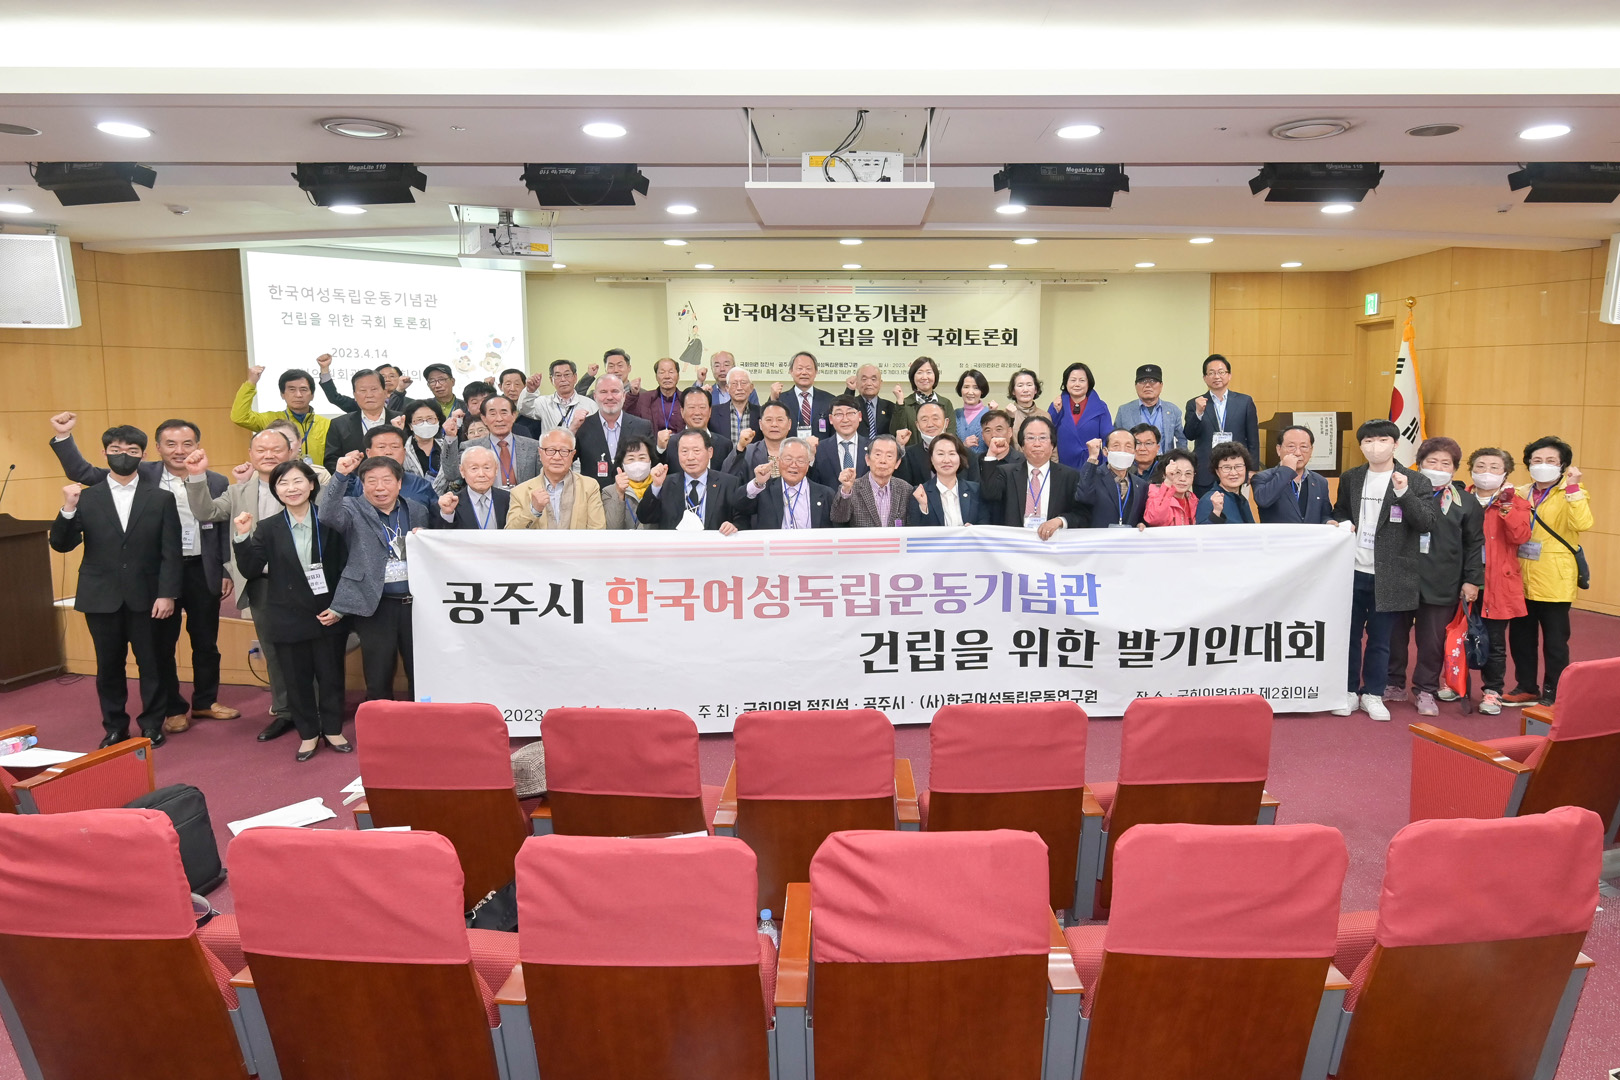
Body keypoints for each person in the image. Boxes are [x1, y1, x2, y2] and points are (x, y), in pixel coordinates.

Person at [49, 412, 236, 733]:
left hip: (201, 568)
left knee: (206, 641)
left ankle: (206, 701)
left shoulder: (216, 480)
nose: (179, 450)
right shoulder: (140, 472)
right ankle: (173, 708)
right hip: (156, 573)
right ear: (157, 449)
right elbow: (83, 472)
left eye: (187, 443)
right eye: (171, 444)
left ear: (198, 445)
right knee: (160, 646)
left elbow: (220, 528)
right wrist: (65, 437)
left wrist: (224, 569)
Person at [50, 425, 181, 748]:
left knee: (152, 663)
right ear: (104, 453)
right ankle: (115, 727)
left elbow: (171, 551)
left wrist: (167, 593)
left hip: (148, 596)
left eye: (132, 451)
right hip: (100, 596)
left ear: (143, 455)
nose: (124, 456)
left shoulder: (161, 498)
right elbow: (61, 544)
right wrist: (68, 508)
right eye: (116, 450)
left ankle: (152, 725)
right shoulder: (86, 497)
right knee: (108, 666)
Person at [183, 432, 309, 741]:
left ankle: (316, 708)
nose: (268, 455)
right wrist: (197, 476)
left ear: (291, 452)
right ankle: (285, 711)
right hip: (262, 583)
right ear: (251, 454)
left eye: (276, 449)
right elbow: (206, 512)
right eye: (261, 449)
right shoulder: (237, 491)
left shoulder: (307, 485)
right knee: (273, 649)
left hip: (305, 582)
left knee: (312, 646)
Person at [232, 460, 350, 762]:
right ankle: (308, 734)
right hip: (287, 615)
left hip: (328, 612)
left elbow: (345, 567)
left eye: (298, 481)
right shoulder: (268, 528)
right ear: (276, 491)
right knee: (297, 681)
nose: (291, 488)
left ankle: (333, 729)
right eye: (283, 483)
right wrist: (242, 537)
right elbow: (251, 569)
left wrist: (340, 607)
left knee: (331, 676)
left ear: (311, 484)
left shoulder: (330, 521)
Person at [1330, 419, 1438, 721]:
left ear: (1395, 444)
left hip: (1391, 573)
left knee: (1381, 639)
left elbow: (1426, 522)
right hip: (1352, 569)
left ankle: (1373, 694)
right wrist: (1338, 521)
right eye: (1368, 441)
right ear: (1361, 446)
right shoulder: (1352, 477)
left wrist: (1404, 494)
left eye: (1381, 440)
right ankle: (1348, 691)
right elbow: (1341, 509)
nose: (1374, 447)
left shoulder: (1415, 481)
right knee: (1349, 636)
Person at [1385, 437, 1484, 717]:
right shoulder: (1400, 492)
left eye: (1445, 463)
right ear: (1419, 463)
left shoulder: (1466, 503)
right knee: (1394, 636)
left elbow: (1475, 544)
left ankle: (1426, 689)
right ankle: (1393, 683)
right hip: (1401, 577)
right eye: (1432, 462)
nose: (1438, 468)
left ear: (1454, 469)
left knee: (1432, 642)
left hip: (1443, 581)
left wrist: (1472, 580)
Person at [318, 455, 429, 700]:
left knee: (421, 670)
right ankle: (381, 721)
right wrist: (340, 476)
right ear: (362, 484)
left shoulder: (417, 510)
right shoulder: (351, 508)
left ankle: (422, 717)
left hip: (417, 605)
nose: (380, 487)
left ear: (399, 483)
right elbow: (326, 514)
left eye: (387, 480)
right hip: (375, 605)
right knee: (378, 674)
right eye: (372, 481)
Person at [1506, 436, 1593, 707]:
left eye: (1551, 461)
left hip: (1555, 579)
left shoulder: (1572, 492)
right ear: (1528, 464)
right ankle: (1526, 687)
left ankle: (1555, 692)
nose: (1543, 465)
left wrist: (1574, 487)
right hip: (1520, 576)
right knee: (1521, 638)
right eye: (1537, 460)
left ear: (1563, 465)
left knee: (1555, 642)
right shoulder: (1519, 492)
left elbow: (1583, 523)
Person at [1467, 447, 1532, 715]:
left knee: (1494, 641)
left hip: (1498, 581)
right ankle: (1454, 683)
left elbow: (1520, 537)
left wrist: (1506, 507)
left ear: (1506, 472)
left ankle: (1492, 691)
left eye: (1494, 467)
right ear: (1471, 469)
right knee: (1457, 634)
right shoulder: (1459, 498)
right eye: (1480, 466)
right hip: (1462, 579)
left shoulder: (1516, 502)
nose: (1487, 472)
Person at [978, 415, 1085, 539]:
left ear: (1052, 444)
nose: (1037, 444)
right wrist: (991, 454)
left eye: (1043, 438)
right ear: (1022, 445)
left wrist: (1060, 521)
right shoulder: (1007, 473)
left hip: (1053, 543)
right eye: (1030, 438)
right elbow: (989, 494)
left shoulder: (1070, 476)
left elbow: (1082, 515)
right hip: (1015, 543)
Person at [637, 429, 751, 533]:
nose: (690, 457)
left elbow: (743, 519)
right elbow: (645, 517)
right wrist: (656, 486)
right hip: (676, 547)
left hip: (714, 547)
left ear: (710, 452)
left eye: (696, 451)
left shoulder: (729, 483)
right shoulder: (665, 483)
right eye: (684, 451)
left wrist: (734, 526)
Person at [1183, 354, 1260, 496]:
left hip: (1235, 469)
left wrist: (1252, 468)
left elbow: (1253, 438)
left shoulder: (1244, 402)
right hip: (1205, 471)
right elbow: (1189, 434)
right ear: (1205, 378)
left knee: (1235, 508)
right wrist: (1198, 413)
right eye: (1211, 373)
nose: (1216, 376)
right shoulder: (1195, 403)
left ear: (1229, 375)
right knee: (1205, 508)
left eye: (1221, 372)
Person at [231, 364, 330, 467]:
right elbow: (240, 417)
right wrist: (251, 383)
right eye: (292, 389)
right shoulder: (271, 420)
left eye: (303, 389)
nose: (298, 395)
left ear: (312, 395)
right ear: (282, 394)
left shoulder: (327, 424)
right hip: (279, 475)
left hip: (318, 475)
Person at [505, 429, 607, 530]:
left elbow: (597, 530)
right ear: (540, 453)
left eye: (564, 451)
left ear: (572, 454)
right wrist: (534, 510)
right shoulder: (520, 492)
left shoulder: (589, 487)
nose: (557, 457)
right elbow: (510, 533)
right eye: (550, 450)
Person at [439, 393, 539, 490]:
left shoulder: (533, 446)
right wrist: (450, 437)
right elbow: (452, 474)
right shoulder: (470, 447)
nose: (499, 419)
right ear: (484, 418)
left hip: (525, 500)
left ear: (514, 415)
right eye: (493, 414)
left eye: (504, 413)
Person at [576, 374, 653, 490]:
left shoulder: (642, 427)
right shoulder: (582, 426)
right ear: (595, 396)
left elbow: (654, 463)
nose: (609, 397)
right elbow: (567, 458)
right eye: (603, 392)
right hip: (593, 496)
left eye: (615, 391)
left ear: (624, 395)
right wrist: (572, 429)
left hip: (632, 496)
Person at [322, 368, 400, 473]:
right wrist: (347, 469)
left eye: (374, 389)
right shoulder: (339, 424)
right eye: (363, 391)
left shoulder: (401, 420)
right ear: (355, 395)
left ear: (385, 392)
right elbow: (330, 461)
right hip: (354, 481)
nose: (369, 395)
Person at [745, 438, 834, 529]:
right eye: (788, 459)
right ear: (778, 461)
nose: (794, 465)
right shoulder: (764, 490)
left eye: (800, 461)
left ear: (808, 465)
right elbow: (740, 506)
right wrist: (758, 483)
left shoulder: (826, 494)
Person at [1252, 425, 1334, 524]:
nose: (1298, 453)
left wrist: (1328, 521)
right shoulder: (1262, 477)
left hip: (1311, 534)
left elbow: (1325, 514)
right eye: (1291, 446)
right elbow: (1263, 501)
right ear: (1278, 449)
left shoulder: (1320, 481)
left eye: (1304, 447)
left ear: (1311, 450)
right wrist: (1287, 470)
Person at [831, 435, 914, 528]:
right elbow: (838, 519)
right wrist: (846, 489)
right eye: (878, 454)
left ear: (897, 463)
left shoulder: (906, 490)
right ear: (867, 460)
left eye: (889, 456)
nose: (883, 461)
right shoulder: (851, 488)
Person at [1076, 429, 1149, 528]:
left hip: (1128, 537)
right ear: (1105, 451)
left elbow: (1141, 516)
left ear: (1135, 452)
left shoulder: (1141, 485)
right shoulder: (1092, 477)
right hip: (1099, 536)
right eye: (1116, 446)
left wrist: (1142, 524)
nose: (1122, 450)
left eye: (1128, 446)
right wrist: (1092, 457)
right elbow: (1083, 498)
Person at [908, 434, 984, 527]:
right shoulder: (920, 493)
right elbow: (916, 530)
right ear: (932, 459)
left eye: (952, 454)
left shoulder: (975, 490)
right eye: (940, 454)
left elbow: (985, 524)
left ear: (960, 458)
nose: (946, 460)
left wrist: (974, 530)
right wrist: (923, 508)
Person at [897, 402, 979, 486]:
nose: (930, 424)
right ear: (917, 425)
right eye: (924, 420)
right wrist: (900, 446)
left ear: (946, 422)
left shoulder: (968, 454)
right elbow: (902, 487)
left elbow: (974, 488)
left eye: (935, 418)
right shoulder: (907, 454)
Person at [1049, 362, 1112, 469]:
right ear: (1066, 383)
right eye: (1073, 380)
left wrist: (1106, 465)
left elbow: (1108, 438)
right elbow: (1048, 432)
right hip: (1063, 465)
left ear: (1089, 383)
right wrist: (1055, 411)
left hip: (1092, 464)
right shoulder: (1057, 405)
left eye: (1082, 380)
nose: (1077, 384)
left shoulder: (1100, 407)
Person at [354, 427, 439, 506]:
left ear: (404, 452)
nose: (388, 452)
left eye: (395, 447)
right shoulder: (356, 484)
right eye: (381, 447)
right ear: (368, 453)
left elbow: (437, 514)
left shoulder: (420, 485)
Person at [432, 445, 510, 531]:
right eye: (474, 468)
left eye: (487, 468)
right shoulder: (451, 503)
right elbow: (441, 535)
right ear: (462, 471)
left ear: (496, 469)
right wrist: (448, 514)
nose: (481, 474)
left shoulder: (509, 499)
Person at [1114, 364, 1186, 452]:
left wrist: (1180, 458)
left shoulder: (1173, 410)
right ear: (1135, 386)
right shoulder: (1124, 411)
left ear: (1161, 385)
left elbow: (1181, 440)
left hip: (1164, 459)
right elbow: (1116, 439)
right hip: (1134, 459)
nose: (1147, 385)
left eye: (1153, 381)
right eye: (1143, 381)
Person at [518, 358, 599, 436]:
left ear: (575, 377)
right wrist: (530, 390)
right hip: (552, 445)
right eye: (558, 375)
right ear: (551, 380)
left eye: (567, 375)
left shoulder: (590, 404)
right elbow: (523, 409)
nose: (563, 379)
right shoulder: (544, 402)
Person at [662, 386, 731, 472]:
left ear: (710, 411)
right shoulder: (670, 444)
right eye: (691, 407)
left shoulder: (725, 445)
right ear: (682, 411)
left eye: (702, 407)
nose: (697, 412)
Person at [770, 351, 837, 439]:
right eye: (800, 368)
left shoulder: (829, 399)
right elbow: (769, 425)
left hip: (821, 447)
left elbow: (835, 433)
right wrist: (773, 399)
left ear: (816, 372)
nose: (804, 372)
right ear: (791, 371)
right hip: (789, 447)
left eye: (808, 369)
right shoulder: (780, 399)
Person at [726, 400, 797, 482]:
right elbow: (728, 478)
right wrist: (740, 447)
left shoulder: (799, 451)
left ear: (789, 424)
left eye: (780, 420)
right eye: (769, 420)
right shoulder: (748, 451)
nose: (774, 424)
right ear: (760, 424)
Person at [890, 356, 957, 444]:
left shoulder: (945, 403)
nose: (924, 377)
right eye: (920, 372)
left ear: (935, 376)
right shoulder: (904, 404)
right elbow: (896, 434)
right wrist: (900, 402)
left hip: (940, 451)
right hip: (912, 452)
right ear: (913, 377)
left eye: (929, 372)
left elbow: (951, 434)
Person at [811, 394, 871, 488]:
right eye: (839, 414)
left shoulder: (872, 447)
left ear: (859, 416)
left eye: (850, 413)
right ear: (831, 419)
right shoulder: (819, 449)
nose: (845, 420)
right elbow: (812, 483)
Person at [316, 354, 407, 414]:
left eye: (392, 376)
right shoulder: (360, 403)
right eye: (383, 376)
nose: (387, 379)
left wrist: (399, 391)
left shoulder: (410, 404)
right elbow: (334, 398)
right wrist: (324, 369)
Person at [604, 434, 658, 530]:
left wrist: (655, 489)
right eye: (631, 459)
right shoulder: (609, 492)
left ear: (650, 461)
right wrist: (619, 494)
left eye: (642, 458)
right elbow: (612, 528)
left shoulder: (660, 488)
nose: (637, 463)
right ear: (622, 464)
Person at [1195, 443, 1257, 524]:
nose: (1233, 473)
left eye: (1238, 466)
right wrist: (1216, 514)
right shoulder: (1210, 500)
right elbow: (1202, 530)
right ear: (1217, 472)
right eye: (1227, 468)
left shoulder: (1241, 499)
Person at [631, 357, 688, 436]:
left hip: (681, 442)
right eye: (662, 372)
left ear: (678, 376)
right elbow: (628, 418)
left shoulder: (686, 399)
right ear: (656, 377)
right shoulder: (645, 399)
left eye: (671, 372)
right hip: (653, 442)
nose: (667, 376)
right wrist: (632, 395)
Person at [1144, 449, 1199, 527]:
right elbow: (1154, 519)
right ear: (1164, 474)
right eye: (1177, 473)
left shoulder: (1193, 499)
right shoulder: (1155, 494)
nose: (1183, 479)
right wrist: (1168, 481)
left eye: (1188, 474)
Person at [712, 366, 764, 449]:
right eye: (734, 383)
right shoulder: (713, 413)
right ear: (727, 388)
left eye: (743, 383)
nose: (739, 388)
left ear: (751, 388)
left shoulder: (761, 413)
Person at [401, 399, 446, 485]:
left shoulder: (446, 447)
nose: (425, 424)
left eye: (430, 419)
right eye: (419, 420)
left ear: (438, 421)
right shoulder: (403, 450)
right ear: (410, 425)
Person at [955, 369, 994, 451]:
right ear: (961, 389)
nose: (970, 392)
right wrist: (963, 446)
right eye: (966, 387)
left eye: (976, 388)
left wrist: (994, 414)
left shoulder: (990, 413)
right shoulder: (955, 414)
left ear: (982, 391)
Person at [852, 363, 895, 438]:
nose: (869, 383)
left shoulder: (890, 407)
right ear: (857, 383)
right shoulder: (851, 405)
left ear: (880, 383)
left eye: (873, 379)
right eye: (864, 379)